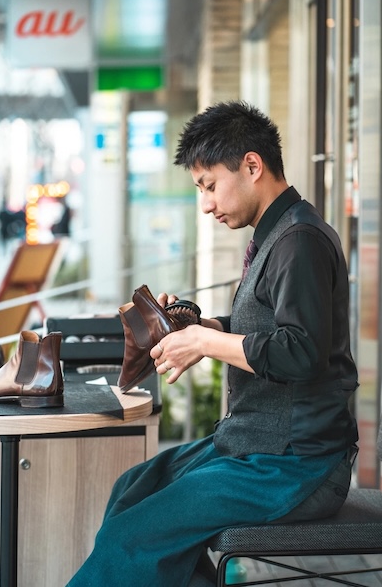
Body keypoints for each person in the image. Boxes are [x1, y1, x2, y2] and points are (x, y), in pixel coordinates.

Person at [67, 101, 359, 587]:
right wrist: (192, 325)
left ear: (251, 165)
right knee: (131, 492)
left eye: (208, 185)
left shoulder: (299, 241)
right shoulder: (273, 236)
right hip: (255, 447)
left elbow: (301, 352)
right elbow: (264, 329)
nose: (205, 204)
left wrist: (204, 339)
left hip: (296, 465)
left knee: (137, 533)